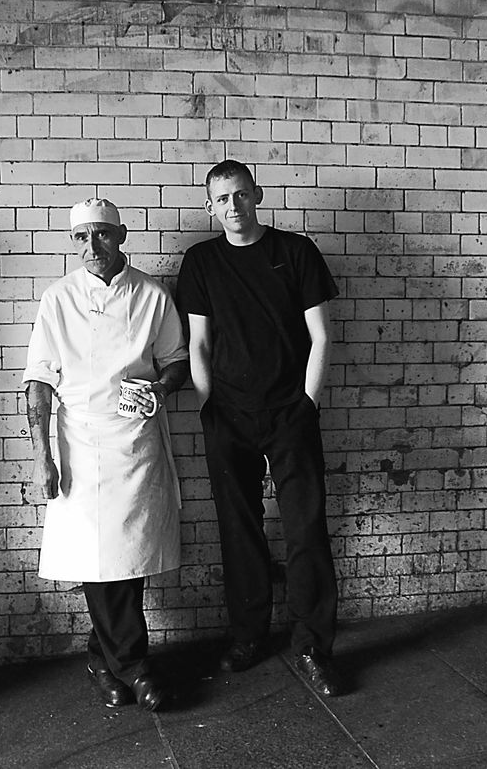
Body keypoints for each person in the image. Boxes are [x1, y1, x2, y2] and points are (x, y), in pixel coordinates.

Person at [175, 160, 344, 697]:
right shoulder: (201, 262)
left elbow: (321, 337)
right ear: (210, 206)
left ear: (259, 196)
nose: (233, 206)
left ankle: (314, 645)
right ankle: (249, 635)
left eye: (242, 195)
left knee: (305, 529)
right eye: (222, 199)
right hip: (228, 414)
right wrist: (209, 409)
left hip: (290, 413)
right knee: (239, 529)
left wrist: (306, 405)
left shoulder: (295, 252)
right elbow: (198, 345)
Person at [24, 198, 189, 712]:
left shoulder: (152, 295)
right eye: (81, 238)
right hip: (79, 440)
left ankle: (104, 657)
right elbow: (38, 382)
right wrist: (41, 455)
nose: (92, 247)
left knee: (129, 557)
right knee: (97, 562)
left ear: (122, 234)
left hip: (135, 441)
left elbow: (178, 360)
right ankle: (134, 667)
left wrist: (160, 389)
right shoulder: (58, 298)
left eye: (102, 235)